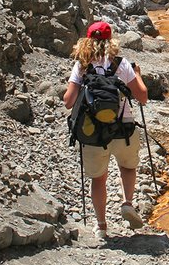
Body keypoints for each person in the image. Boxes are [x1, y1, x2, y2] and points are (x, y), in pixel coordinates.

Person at [63, 21, 149, 239]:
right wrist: (137, 74)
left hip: (92, 132)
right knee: (127, 168)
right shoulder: (121, 64)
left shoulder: (82, 65)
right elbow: (143, 97)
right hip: (123, 127)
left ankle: (101, 226)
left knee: (98, 178)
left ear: (88, 41)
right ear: (111, 41)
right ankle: (127, 203)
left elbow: (68, 101)